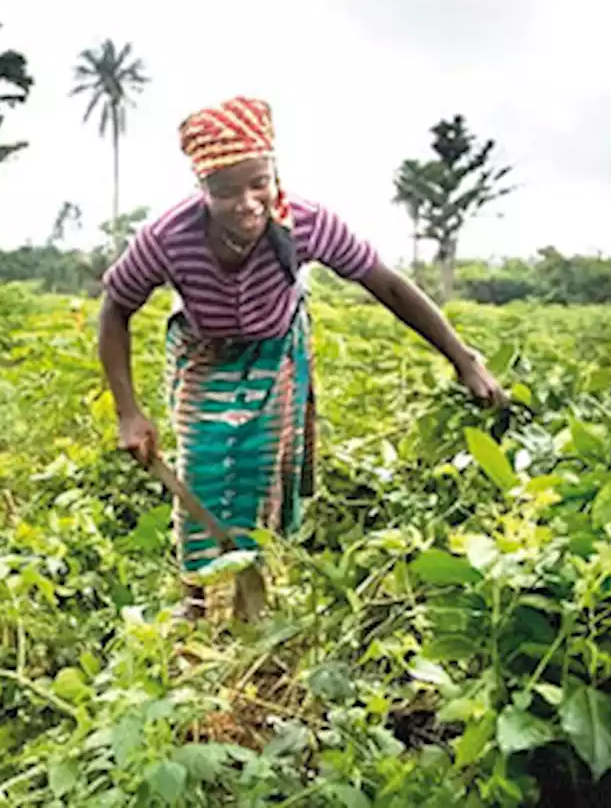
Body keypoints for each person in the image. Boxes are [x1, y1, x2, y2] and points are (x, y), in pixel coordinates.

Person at [99, 96, 506, 619]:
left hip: (276, 350)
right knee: (202, 464)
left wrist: (463, 358)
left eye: (258, 183)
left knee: (263, 470)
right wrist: (128, 412)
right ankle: (198, 603)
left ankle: (257, 591)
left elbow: (385, 283)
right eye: (225, 190)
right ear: (202, 188)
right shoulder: (167, 237)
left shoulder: (308, 224)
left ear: (274, 174)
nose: (246, 202)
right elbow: (115, 309)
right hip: (206, 353)